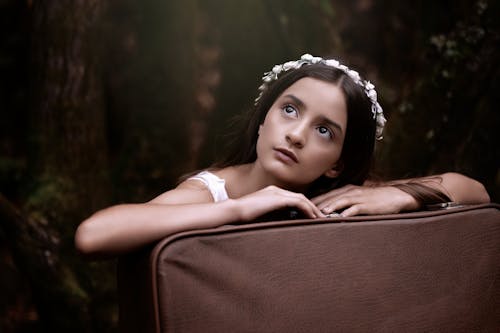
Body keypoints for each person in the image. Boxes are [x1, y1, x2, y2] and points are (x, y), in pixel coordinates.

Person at [75, 54, 490, 258]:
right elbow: (93, 235)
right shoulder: (216, 191)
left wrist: (405, 194)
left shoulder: (339, 196)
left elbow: (475, 192)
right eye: (289, 109)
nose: (295, 135)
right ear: (262, 119)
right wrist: (237, 210)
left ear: (337, 162)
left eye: (324, 130)